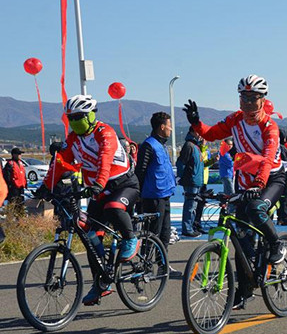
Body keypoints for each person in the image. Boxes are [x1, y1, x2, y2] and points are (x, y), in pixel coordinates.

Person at [183, 74, 286, 309]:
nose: (248, 102)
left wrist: (259, 184)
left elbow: (269, 158)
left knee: (255, 208)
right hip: (246, 180)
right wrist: (196, 122)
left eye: (253, 97)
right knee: (239, 235)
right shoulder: (235, 120)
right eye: (244, 97)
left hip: (272, 178)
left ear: (262, 99)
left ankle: (276, 244)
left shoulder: (269, 126)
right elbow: (210, 134)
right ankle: (245, 290)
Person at [39, 94, 140, 306]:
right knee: (90, 237)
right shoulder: (73, 139)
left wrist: (97, 185)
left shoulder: (105, 133)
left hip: (123, 185)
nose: (74, 121)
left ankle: (131, 239)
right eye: (71, 117)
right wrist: (45, 188)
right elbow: (61, 164)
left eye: (79, 116)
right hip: (99, 190)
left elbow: (104, 160)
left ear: (91, 115)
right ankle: (101, 282)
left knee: (113, 207)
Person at [135, 112, 178, 253]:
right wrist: (138, 197)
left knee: (165, 234)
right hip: (153, 197)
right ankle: (144, 267)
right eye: (169, 126)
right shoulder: (148, 145)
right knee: (152, 234)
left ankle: (162, 266)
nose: (171, 129)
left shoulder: (163, 146)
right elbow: (140, 171)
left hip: (165, 195)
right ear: (162, 127)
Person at [176, 126, 204, 238]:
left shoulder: (196, 146)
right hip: (191, 181)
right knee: (190, 206)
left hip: (196, 181)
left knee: (193, 206)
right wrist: (181, 177)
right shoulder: (189, 146)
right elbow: (181, 163)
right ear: (193, 131)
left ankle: (190, 227)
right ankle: (187, 228)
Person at [193, 138, 217, 234]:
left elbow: (205, 164)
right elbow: (200, 163)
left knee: (201, 204)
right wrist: (202, 147)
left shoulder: (206, 150)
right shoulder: (197, 149)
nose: (204, 140)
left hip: (204, 180)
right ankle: (193, 225)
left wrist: (213, 160)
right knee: (196, 205)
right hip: (198, 180)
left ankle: (198, 224)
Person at [2, 148, 27, 214]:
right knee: (13, 204)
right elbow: (6, 177)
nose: (20, 155)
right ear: (14, 155)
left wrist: (25, 184)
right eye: (19, 154)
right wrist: (9, 186)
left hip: (21, 188)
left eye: (20, 154)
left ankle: (20, 217)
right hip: (13, 188)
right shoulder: (10, 164)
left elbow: (23, 175)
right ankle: (11, 217)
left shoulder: (20, 163)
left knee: (21, 204)